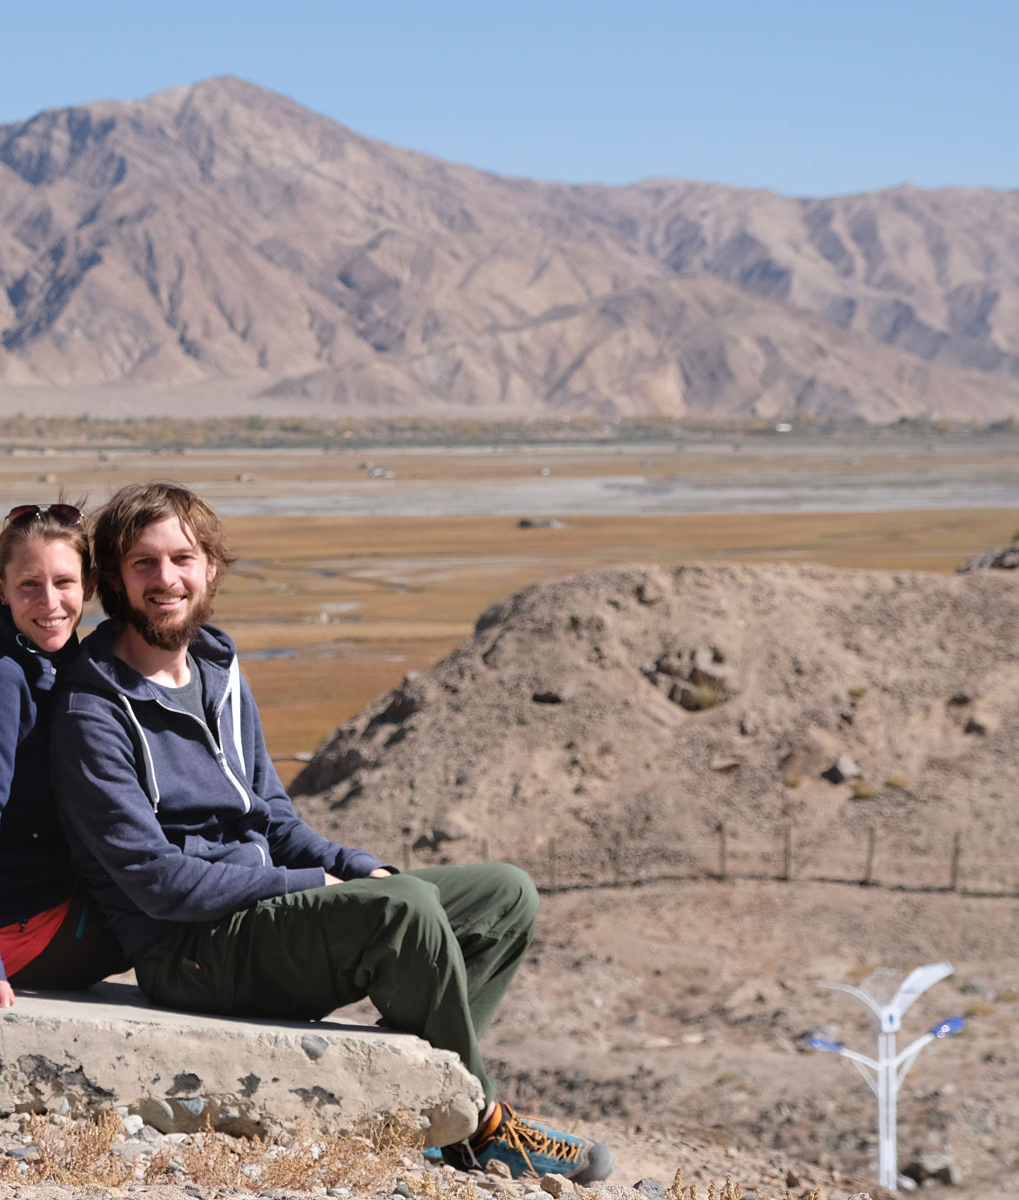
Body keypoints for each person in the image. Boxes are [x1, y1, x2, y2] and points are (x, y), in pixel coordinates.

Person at [48, 482, 613, 1182]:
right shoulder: (92, 706)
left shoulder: (217, 668)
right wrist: (315, 883)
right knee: (402, 913)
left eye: (182, 558)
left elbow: (273, 818)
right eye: (143, 563)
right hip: (188, 951)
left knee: (504, 895)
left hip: (264, 920)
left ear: (210, 568)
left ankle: (413, 1103)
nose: (166, 579)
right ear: (112, 580)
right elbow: (155, 883)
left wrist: (354, 865)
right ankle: (478, 1127)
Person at [0, 503, 126, 1007]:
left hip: (5, 919)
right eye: (29, 585)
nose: (50, 602)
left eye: (64, 583)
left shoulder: (41, 660)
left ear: (90, 587)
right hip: (12, 935)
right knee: (184, 908)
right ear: (0, 588)